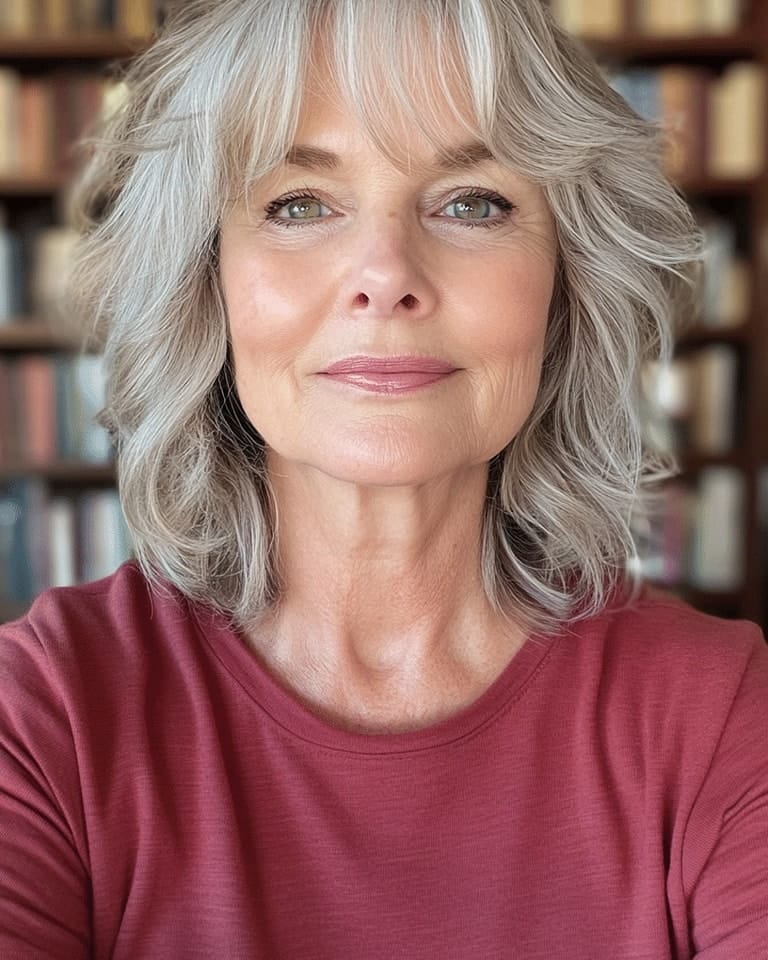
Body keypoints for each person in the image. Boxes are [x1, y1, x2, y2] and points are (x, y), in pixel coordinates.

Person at [1, 0, 766, 956]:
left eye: (472, 202)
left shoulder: (722, 711)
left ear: (567, 283)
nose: (385, 274)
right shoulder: (45, 715)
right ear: (207, 281)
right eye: (299, 204)